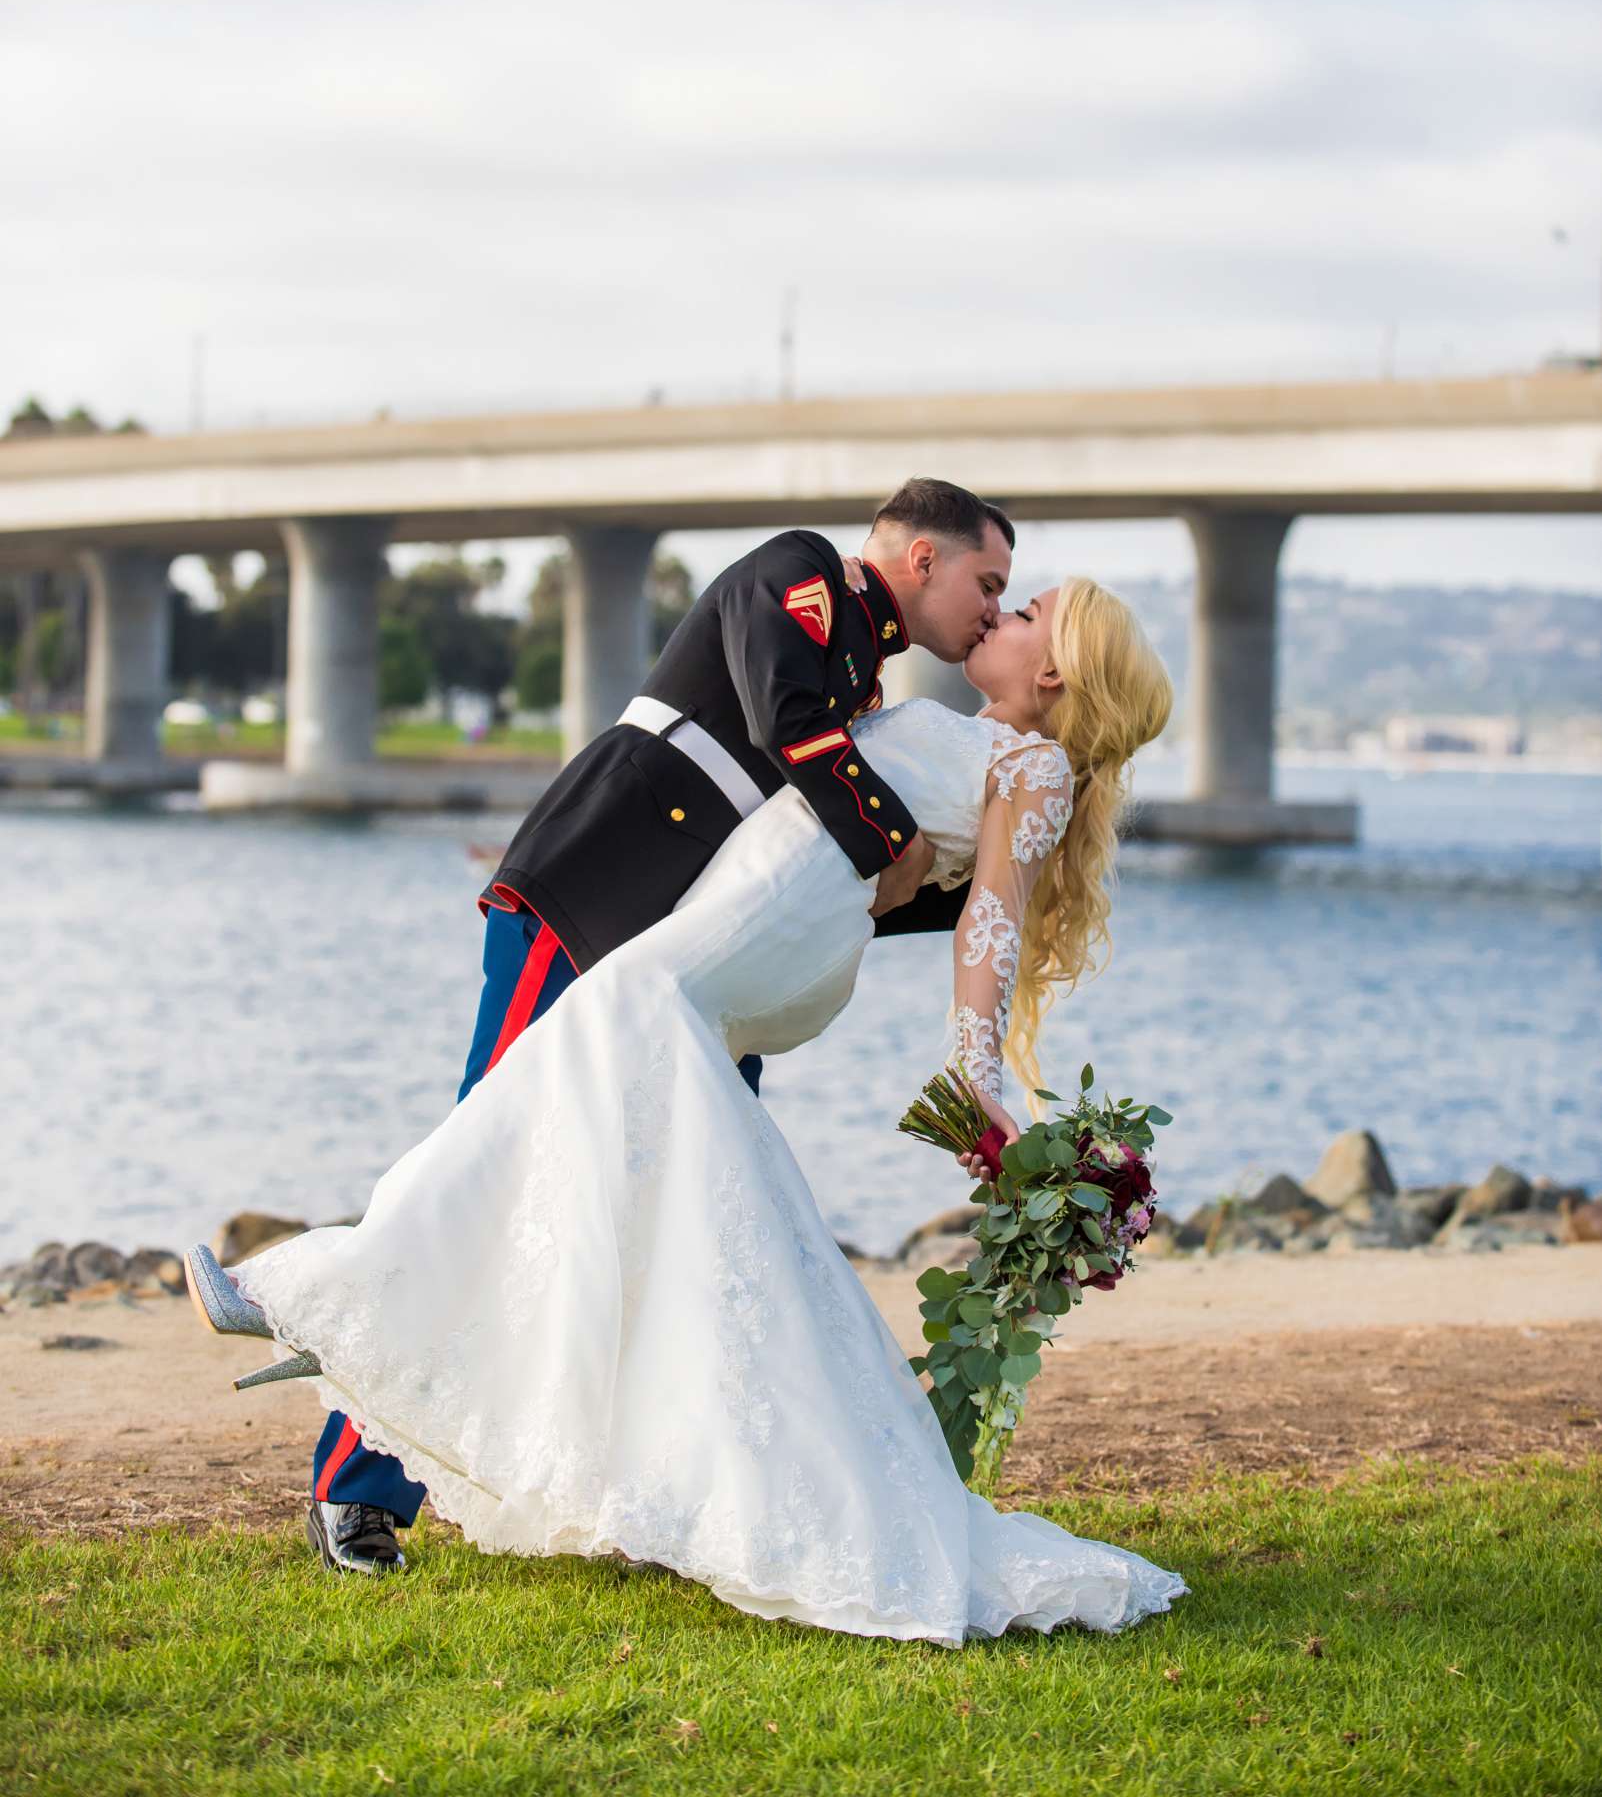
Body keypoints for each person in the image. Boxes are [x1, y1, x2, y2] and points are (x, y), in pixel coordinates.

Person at [190, 572, 1187, 1645]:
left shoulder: (1032, 766)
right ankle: (366, 1329)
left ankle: (307, 1297)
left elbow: (985, 932)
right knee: (614, 1167)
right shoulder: (927, 709)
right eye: (997, 590)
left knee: (558, 1075)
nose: (1000, 613)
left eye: (1025, 611)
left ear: (1053, 673)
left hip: (757, 939)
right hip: (733, 920)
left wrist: (979, 1080)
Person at [291, 479, 1014, 1574]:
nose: (993, 613)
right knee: (490, 1172)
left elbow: (822, 861)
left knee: (688, 1225)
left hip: (701, 972)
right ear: (921, 559)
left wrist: (989, 880)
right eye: (987, 582)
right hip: (592, 900)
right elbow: (791, 731)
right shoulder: (804, 571)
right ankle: (362, 1486)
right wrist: (895, 837)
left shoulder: (869, 672)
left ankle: (664, 1497)